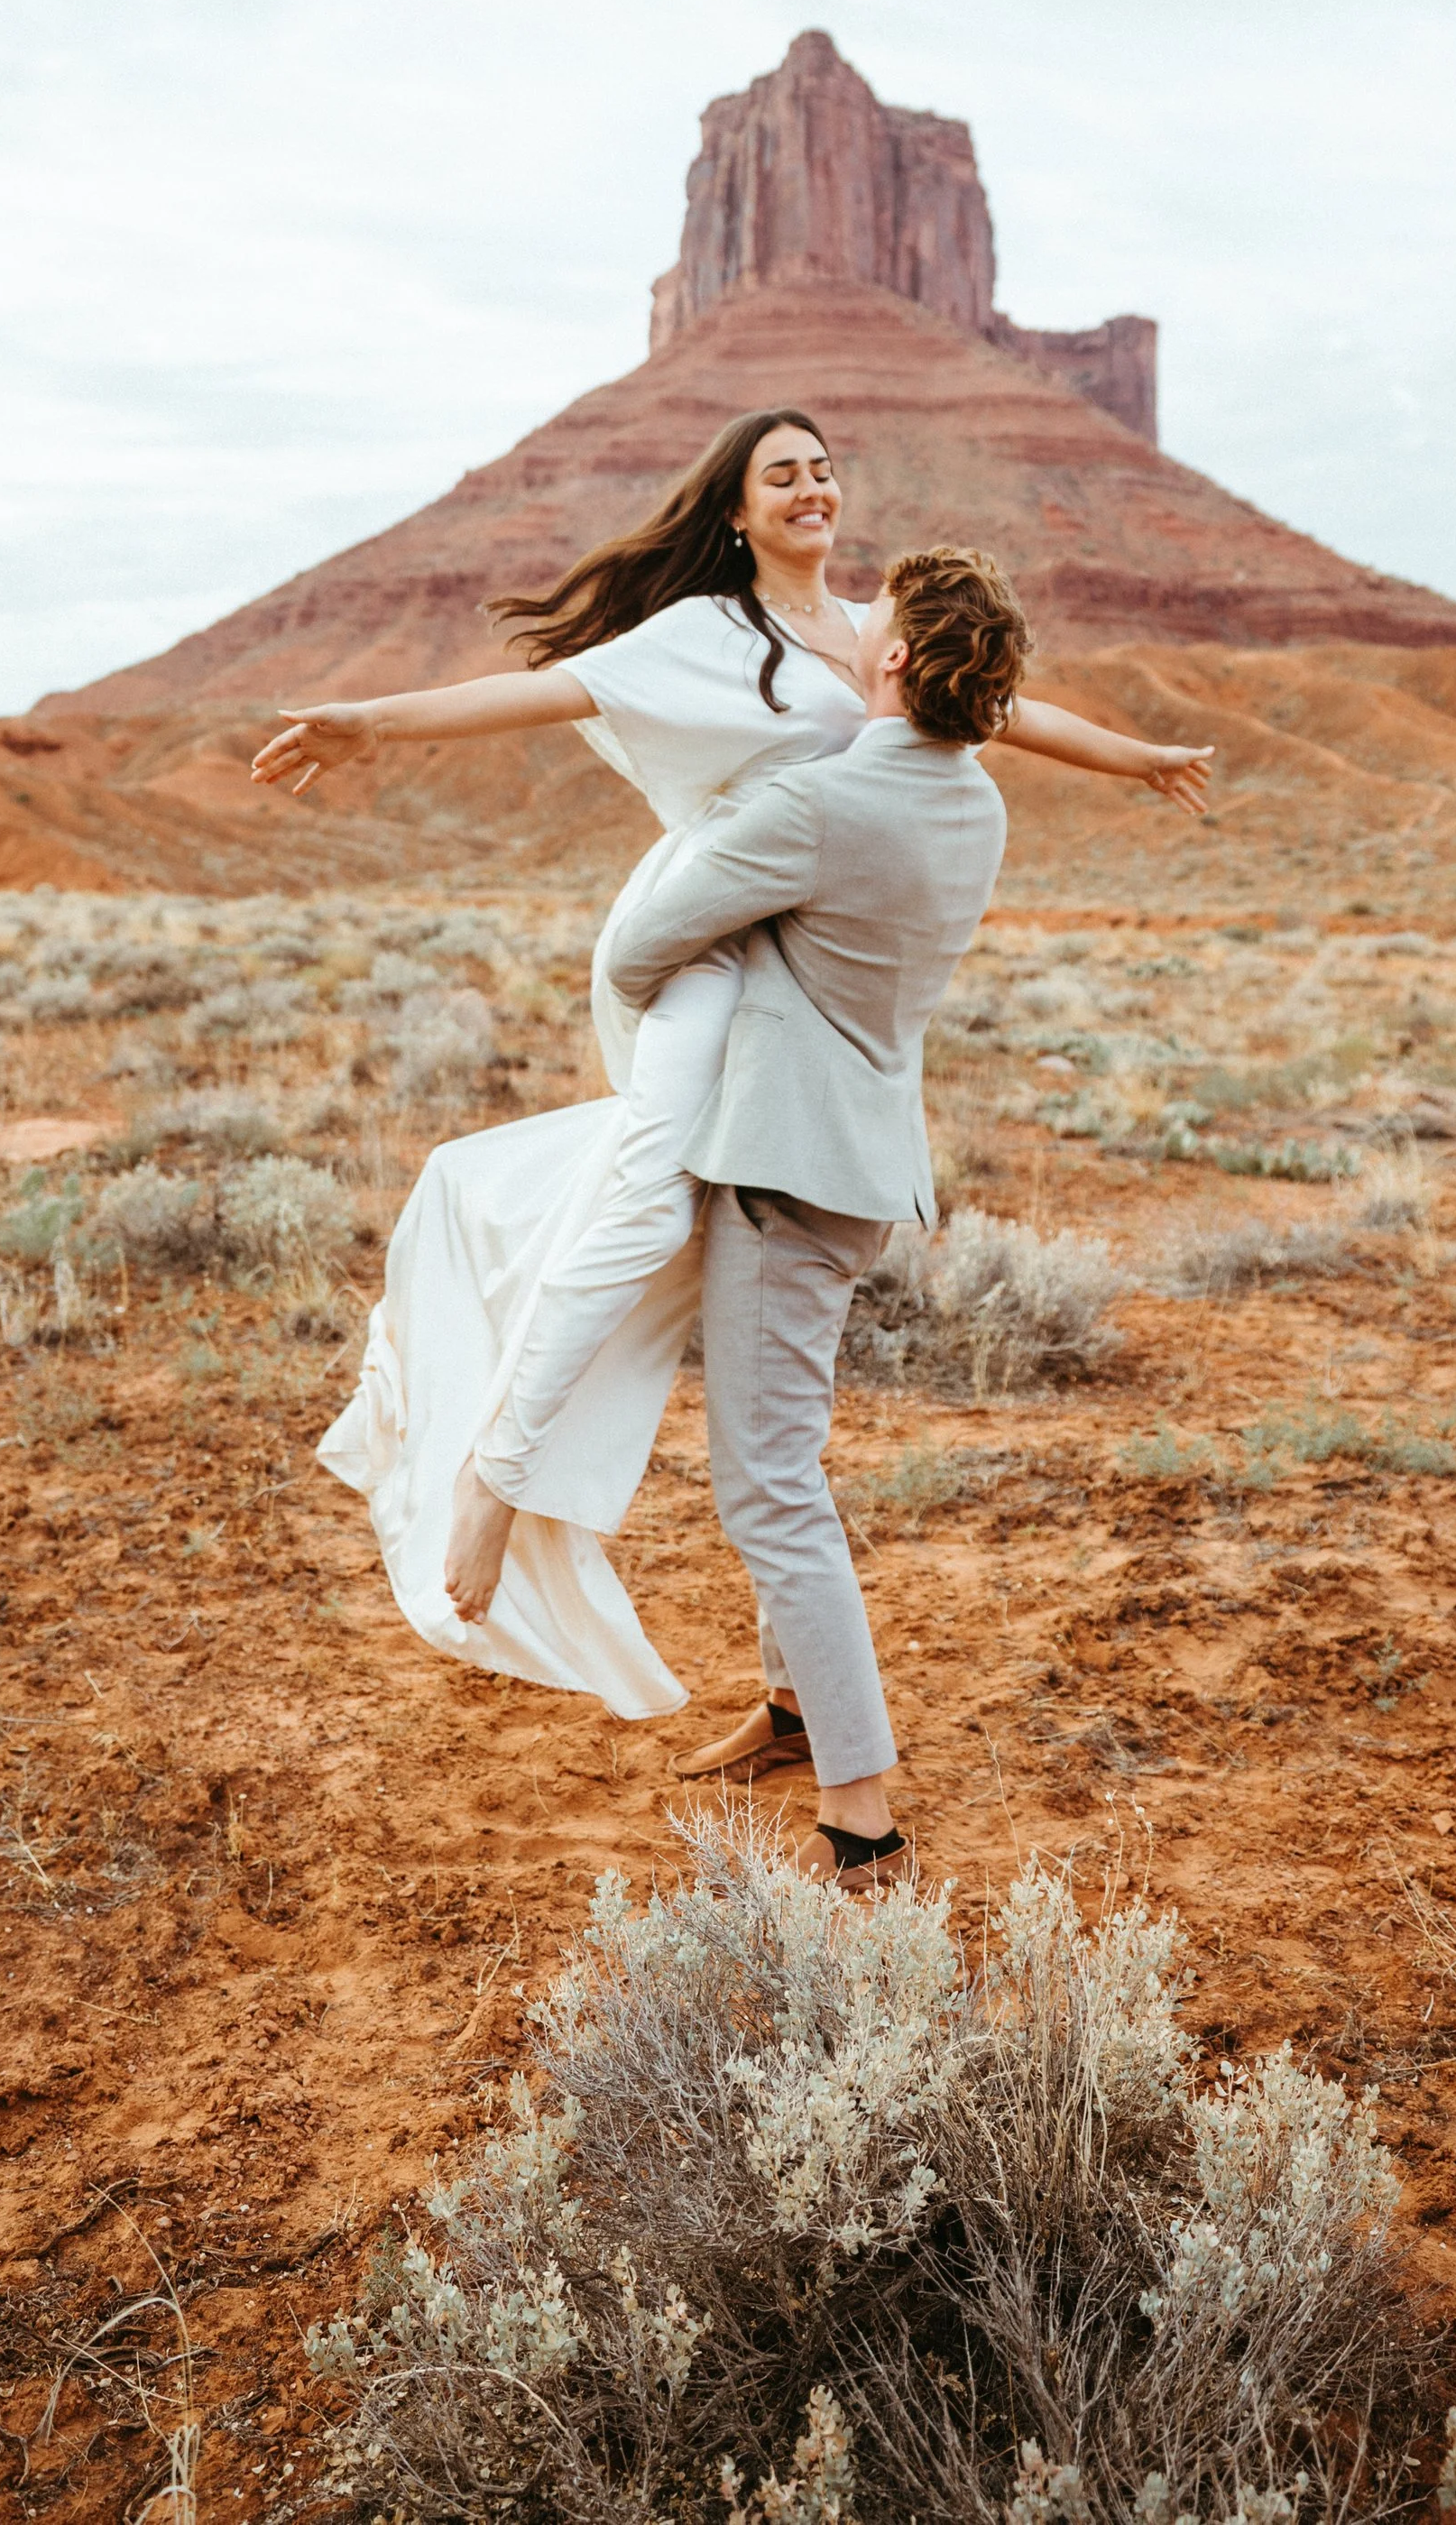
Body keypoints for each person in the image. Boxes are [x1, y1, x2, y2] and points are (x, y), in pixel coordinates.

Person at [251, 407, 1212, 1719]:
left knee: (715, 1297)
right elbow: (546, 691)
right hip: (698, 937)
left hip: (794, 955)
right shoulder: (703, 634)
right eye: (782, 474)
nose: (812, 486)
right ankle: (493, 1480)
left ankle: (785, 1691)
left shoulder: (875, 628)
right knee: (647, 1196)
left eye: (823, 466)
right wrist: (371, 719)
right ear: (739, 512)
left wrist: (1136, 758)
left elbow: (999, 705)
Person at [603, 546, 1022, 1892]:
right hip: (862, 1166)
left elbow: (636, 943)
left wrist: (727, 959)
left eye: (876, 615)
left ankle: (863, 1808)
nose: (856, 624)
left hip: (789, 1179)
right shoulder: (979, 799)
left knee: (768, 1486)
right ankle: (794, 1712)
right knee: (791, 1454)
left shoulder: (827, 803)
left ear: (896, 658)